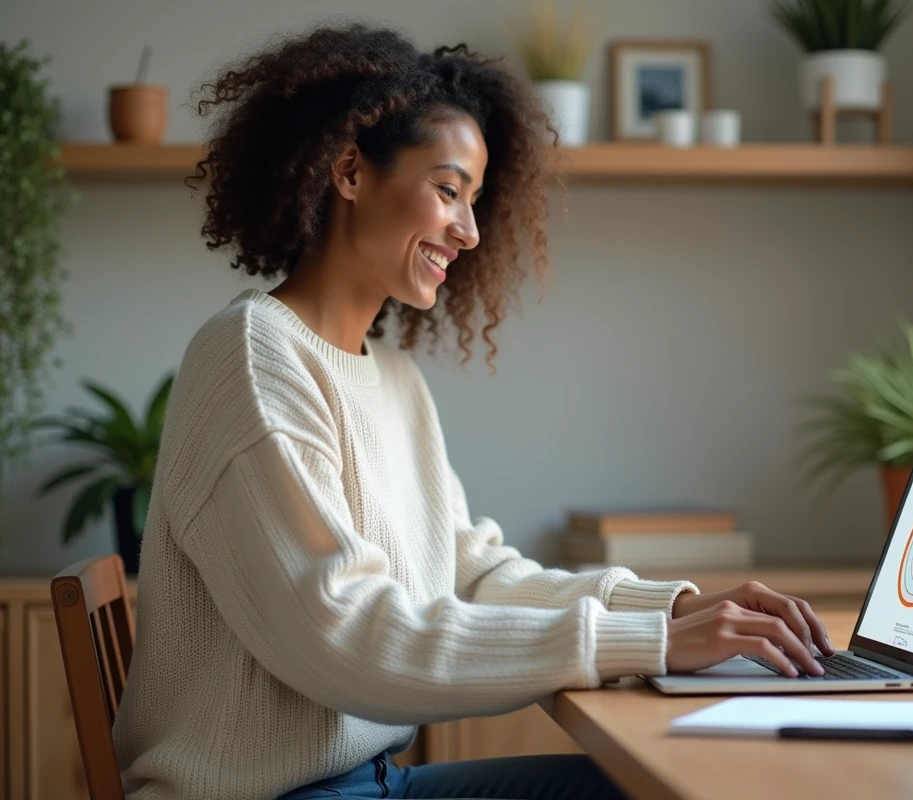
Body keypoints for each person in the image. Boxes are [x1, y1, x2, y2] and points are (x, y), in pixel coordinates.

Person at [111, 23, 834, 800]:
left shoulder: (391, 379)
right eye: (448, 190)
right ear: (349, 171)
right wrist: (651, 641)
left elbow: (473, 575)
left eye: (476, 200)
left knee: (656, 783)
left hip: (370, 782)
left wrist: (678, 608)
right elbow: (343, 633)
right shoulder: (255, 357)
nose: (470, 230)